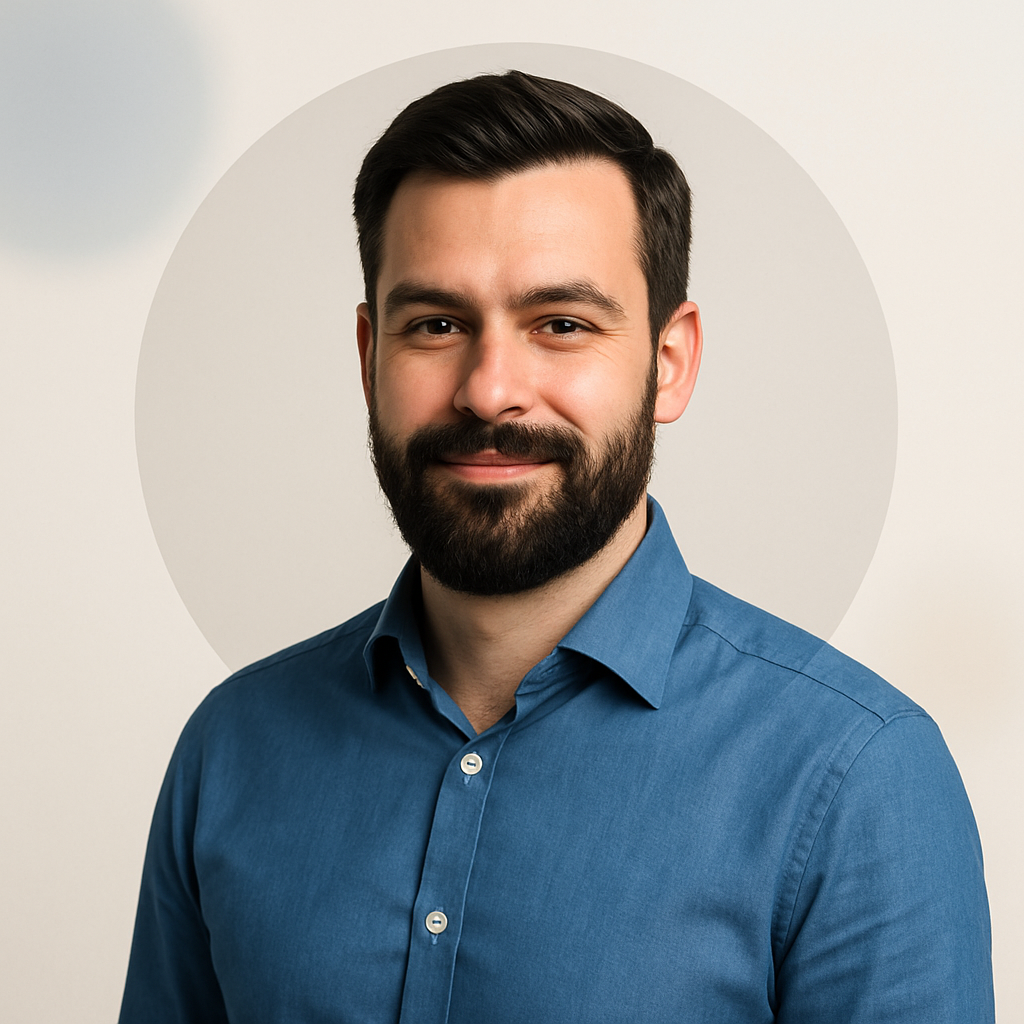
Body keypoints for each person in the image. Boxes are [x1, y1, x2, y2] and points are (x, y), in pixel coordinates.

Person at [119, 71, 994, 1023]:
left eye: (562, 325)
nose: (490, 390)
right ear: (369, 356)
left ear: (669, 362)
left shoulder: (856, 776)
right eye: (437, 325)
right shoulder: (231, 748)